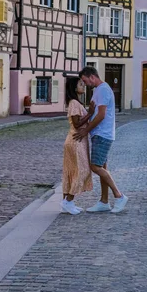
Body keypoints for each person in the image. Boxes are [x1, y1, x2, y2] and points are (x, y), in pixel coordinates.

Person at [73, 66, 128, 214]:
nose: (85, 84)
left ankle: (119, 195)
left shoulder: (103, 90)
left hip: (102, 134)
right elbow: (95, 113)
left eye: (85, 81)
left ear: (92, 76)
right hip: (100, 134)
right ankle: (104, 201)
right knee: (102, 167)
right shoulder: (99, 90)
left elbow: (101, 115)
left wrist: (86, 130)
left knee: (95, 167)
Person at [61, 77, 94, 215]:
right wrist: (91, 113)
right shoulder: (74, 103)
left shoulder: (75, 102)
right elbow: (76, 123)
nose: (84, 86)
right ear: (74, 88)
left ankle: (68, 203)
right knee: (82, 170)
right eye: (81, 84)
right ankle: (68, 201)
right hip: (76, 141)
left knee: (72, 171)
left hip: (78, 140)